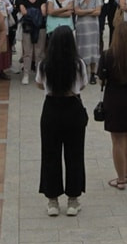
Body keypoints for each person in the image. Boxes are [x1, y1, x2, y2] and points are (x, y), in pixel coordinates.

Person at [37, 26, 88, 217]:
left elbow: (39, 83)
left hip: (51, 109)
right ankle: (73, 200)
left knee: (50, 154)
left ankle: (52, 200)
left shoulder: (44, 64)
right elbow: (83, 85)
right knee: (75, 154)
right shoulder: (78, 64)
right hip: (73, 108)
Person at [98, 21, 127, 190]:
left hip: (113, 99)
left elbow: (101, 81)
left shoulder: (107, 56)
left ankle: (120, 179)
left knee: (117, 140)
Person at [75, 0, 102, 84]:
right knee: (81, 48)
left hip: (93, 26)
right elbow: (77, 11)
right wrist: (91, 11)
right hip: (81, 26)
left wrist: (84, 12)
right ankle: (82, 73)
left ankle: (93, 73)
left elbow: (98, 12)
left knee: (93, 48)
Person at [18, 0, 46, 85]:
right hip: (27, 27)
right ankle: (26, 74)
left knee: (39, 52)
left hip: (40, 27)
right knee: (27, 52)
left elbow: (44, 12)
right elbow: (23, 12)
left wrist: (31, 11)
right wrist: (36, 12)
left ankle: (39, 74)